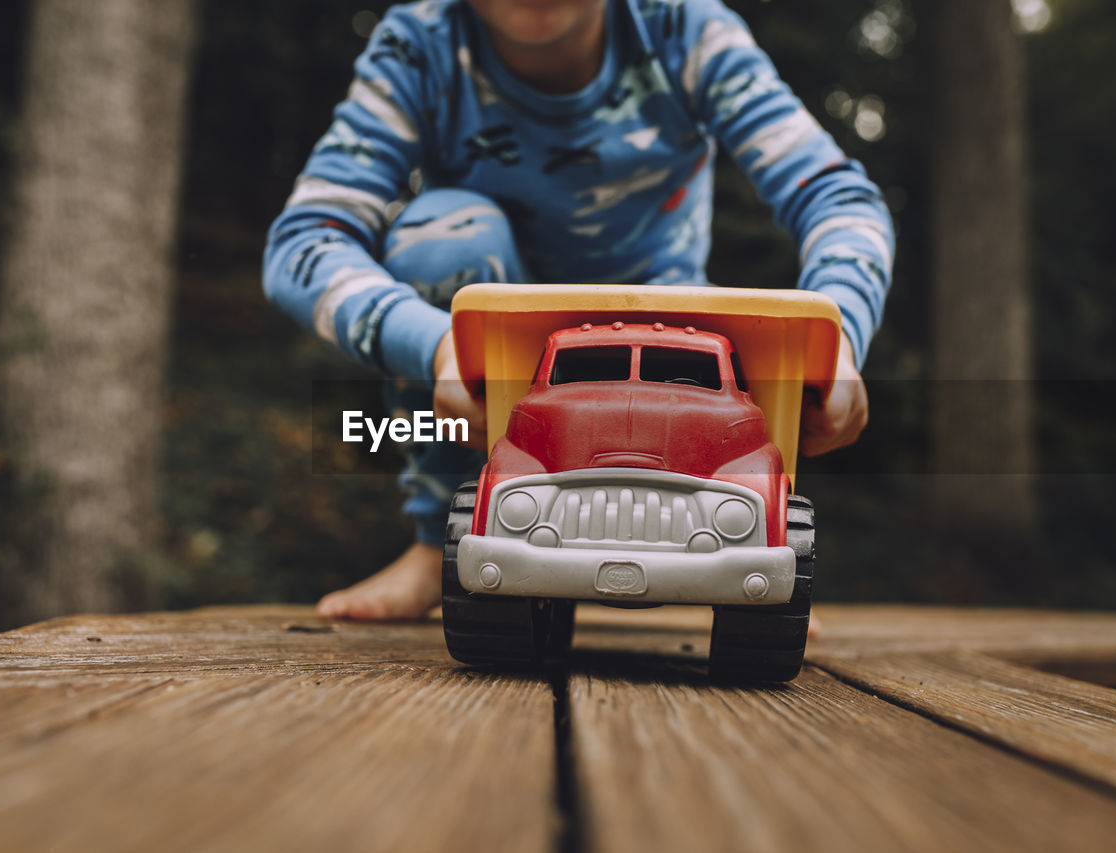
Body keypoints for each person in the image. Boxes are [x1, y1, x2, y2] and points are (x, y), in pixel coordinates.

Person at [263, 0, 894, 621]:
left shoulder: (684, 29)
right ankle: (443, 542)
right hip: (493, 364)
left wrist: (836, 337)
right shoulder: (420, 46)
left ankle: (715, 544)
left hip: (671, 360)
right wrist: (436, 345)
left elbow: (839, 199)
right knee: (443, 241)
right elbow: (305, 242)